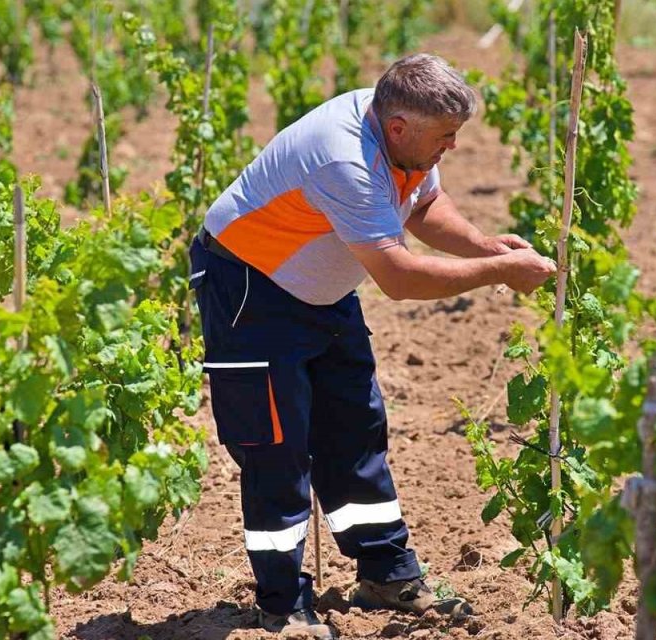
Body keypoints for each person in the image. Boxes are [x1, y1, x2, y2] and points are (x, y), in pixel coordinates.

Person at [190, 53, 557, 639]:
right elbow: (401, 279)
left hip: (321, 287)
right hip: (250, 287)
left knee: (356, 423)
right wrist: (501, 274)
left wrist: (487, 247)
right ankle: (283, 606)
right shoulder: (345, 158)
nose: (452, 148)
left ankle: (386, 574)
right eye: (446, 137)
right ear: (397, 128)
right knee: (276, 449)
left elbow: (426, 205)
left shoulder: (403, 131)